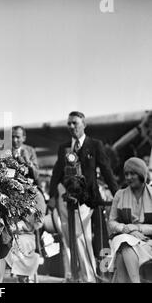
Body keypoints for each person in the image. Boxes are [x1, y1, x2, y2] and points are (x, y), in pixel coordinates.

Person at [48, 111, 118, 282]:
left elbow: (106, 170)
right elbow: (57, 172)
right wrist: (51, 196)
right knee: (69, 238)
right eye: (69, 124)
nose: (72, 126)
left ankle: (87, 277)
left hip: (87, 199)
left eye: (75, 123)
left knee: (80, 236)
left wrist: (117, 194)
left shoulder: (95, 145)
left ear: (84, 124)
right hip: (66, 198)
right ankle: (74, 275)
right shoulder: (63, 148)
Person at [108, 157, 152, 282]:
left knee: (123, 253)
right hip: (125, 238)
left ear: (141, 174)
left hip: (148, 242)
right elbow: (111, 222)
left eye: (132, 173)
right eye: (126, 174)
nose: (128, 177)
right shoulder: (120, 194)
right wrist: (128, 230)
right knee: (125, 241)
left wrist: (138, 228)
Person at [4, 191, 46, 282]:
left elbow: (39, 222)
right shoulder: (11, 193)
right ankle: (23, 276)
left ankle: (25, 277)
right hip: (14, 234)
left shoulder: (36, 195)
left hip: (27, 234)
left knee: (24, 245)